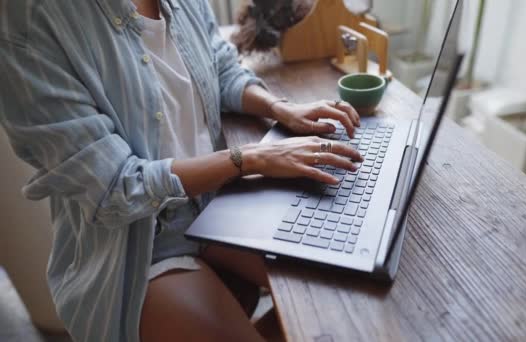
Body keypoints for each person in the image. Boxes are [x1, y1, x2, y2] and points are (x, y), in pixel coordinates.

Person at [0, 0, 362, 341]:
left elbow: (218, 64)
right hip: (138, 246)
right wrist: (250, 159)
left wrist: (280, 108)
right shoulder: (31, 25)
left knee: (343, 291)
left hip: (213, 206)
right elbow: (115, 188)